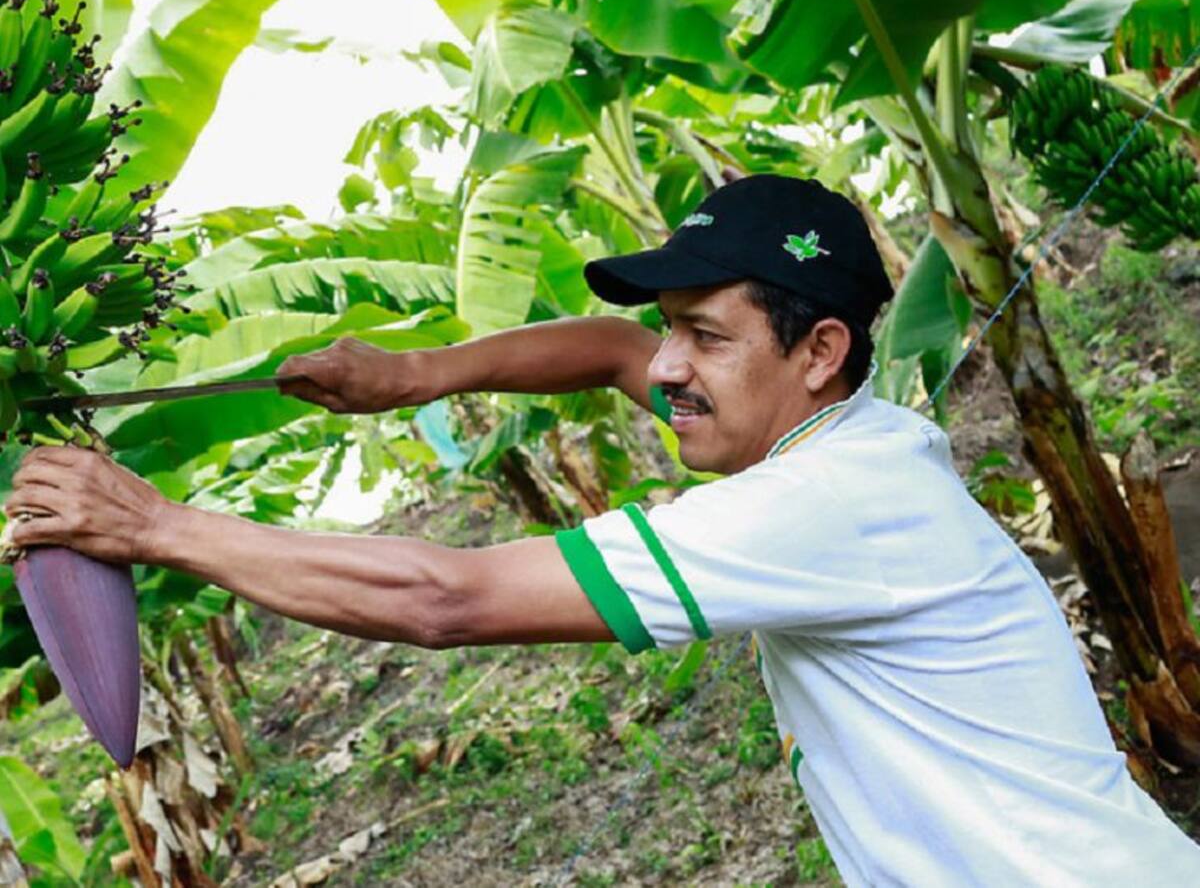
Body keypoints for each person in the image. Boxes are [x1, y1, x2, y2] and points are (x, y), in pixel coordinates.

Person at [7, 175, 1199, 885]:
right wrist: (420, 373)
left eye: (706, 335)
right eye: (671, 328)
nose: (669, 366)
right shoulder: (834, 431)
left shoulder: (824, 507)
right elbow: (611, 349)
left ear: (821, 349)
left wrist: (152, 522)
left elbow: (447, 599)